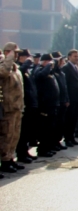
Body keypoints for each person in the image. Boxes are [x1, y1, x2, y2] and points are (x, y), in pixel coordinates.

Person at [0, 42, 25, 173]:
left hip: (17, 107)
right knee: (7, 136)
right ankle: (4, 161)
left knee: (15, 135)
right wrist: (7, 58)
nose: (17, 55)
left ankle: (10, 158)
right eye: (15, 53)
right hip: (8, 108)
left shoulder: (16, 68)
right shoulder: (4, 66)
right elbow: (3, 73)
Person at [34, 53, 60, 158]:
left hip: (52, 104)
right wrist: (48, 65)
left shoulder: (49, 72)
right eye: (50, 62)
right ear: (45, 62)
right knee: (45, 129)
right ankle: (42, 149)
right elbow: (40, 76)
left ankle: (47, 147)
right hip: (44, 105)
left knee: (50, 128)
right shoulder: (39, 70)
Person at [16, 49, 39, 164]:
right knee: (22, 131)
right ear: (21, 57)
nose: (30, 59)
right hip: (23, 103)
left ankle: (25, 151)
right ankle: (21, 153)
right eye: (27, 57)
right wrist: (26, 64)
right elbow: (19, 73)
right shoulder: (19, 68)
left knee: (27, 131)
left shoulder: (27, 70)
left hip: (31, 103)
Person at [61, 49, 78, 147]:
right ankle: (67, 139)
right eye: (75, 56)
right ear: (69, 57)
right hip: (70, 98)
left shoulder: (76, 67)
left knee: (74, 119)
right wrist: (67, 98)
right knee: (69, 119)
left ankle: (72, 137)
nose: (77, 58)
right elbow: (65, 84)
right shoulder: (66, 68)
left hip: (77, 98)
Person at [51, 51, 69, 151]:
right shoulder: (53, 71)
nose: (63, 61)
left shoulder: (61, 72)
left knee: (60, 124)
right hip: (56, 102)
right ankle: (53, 142)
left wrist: (66, 99)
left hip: (63, 101)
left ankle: (57, 141)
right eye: (60, 60)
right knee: (55, 124)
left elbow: (64, 87)